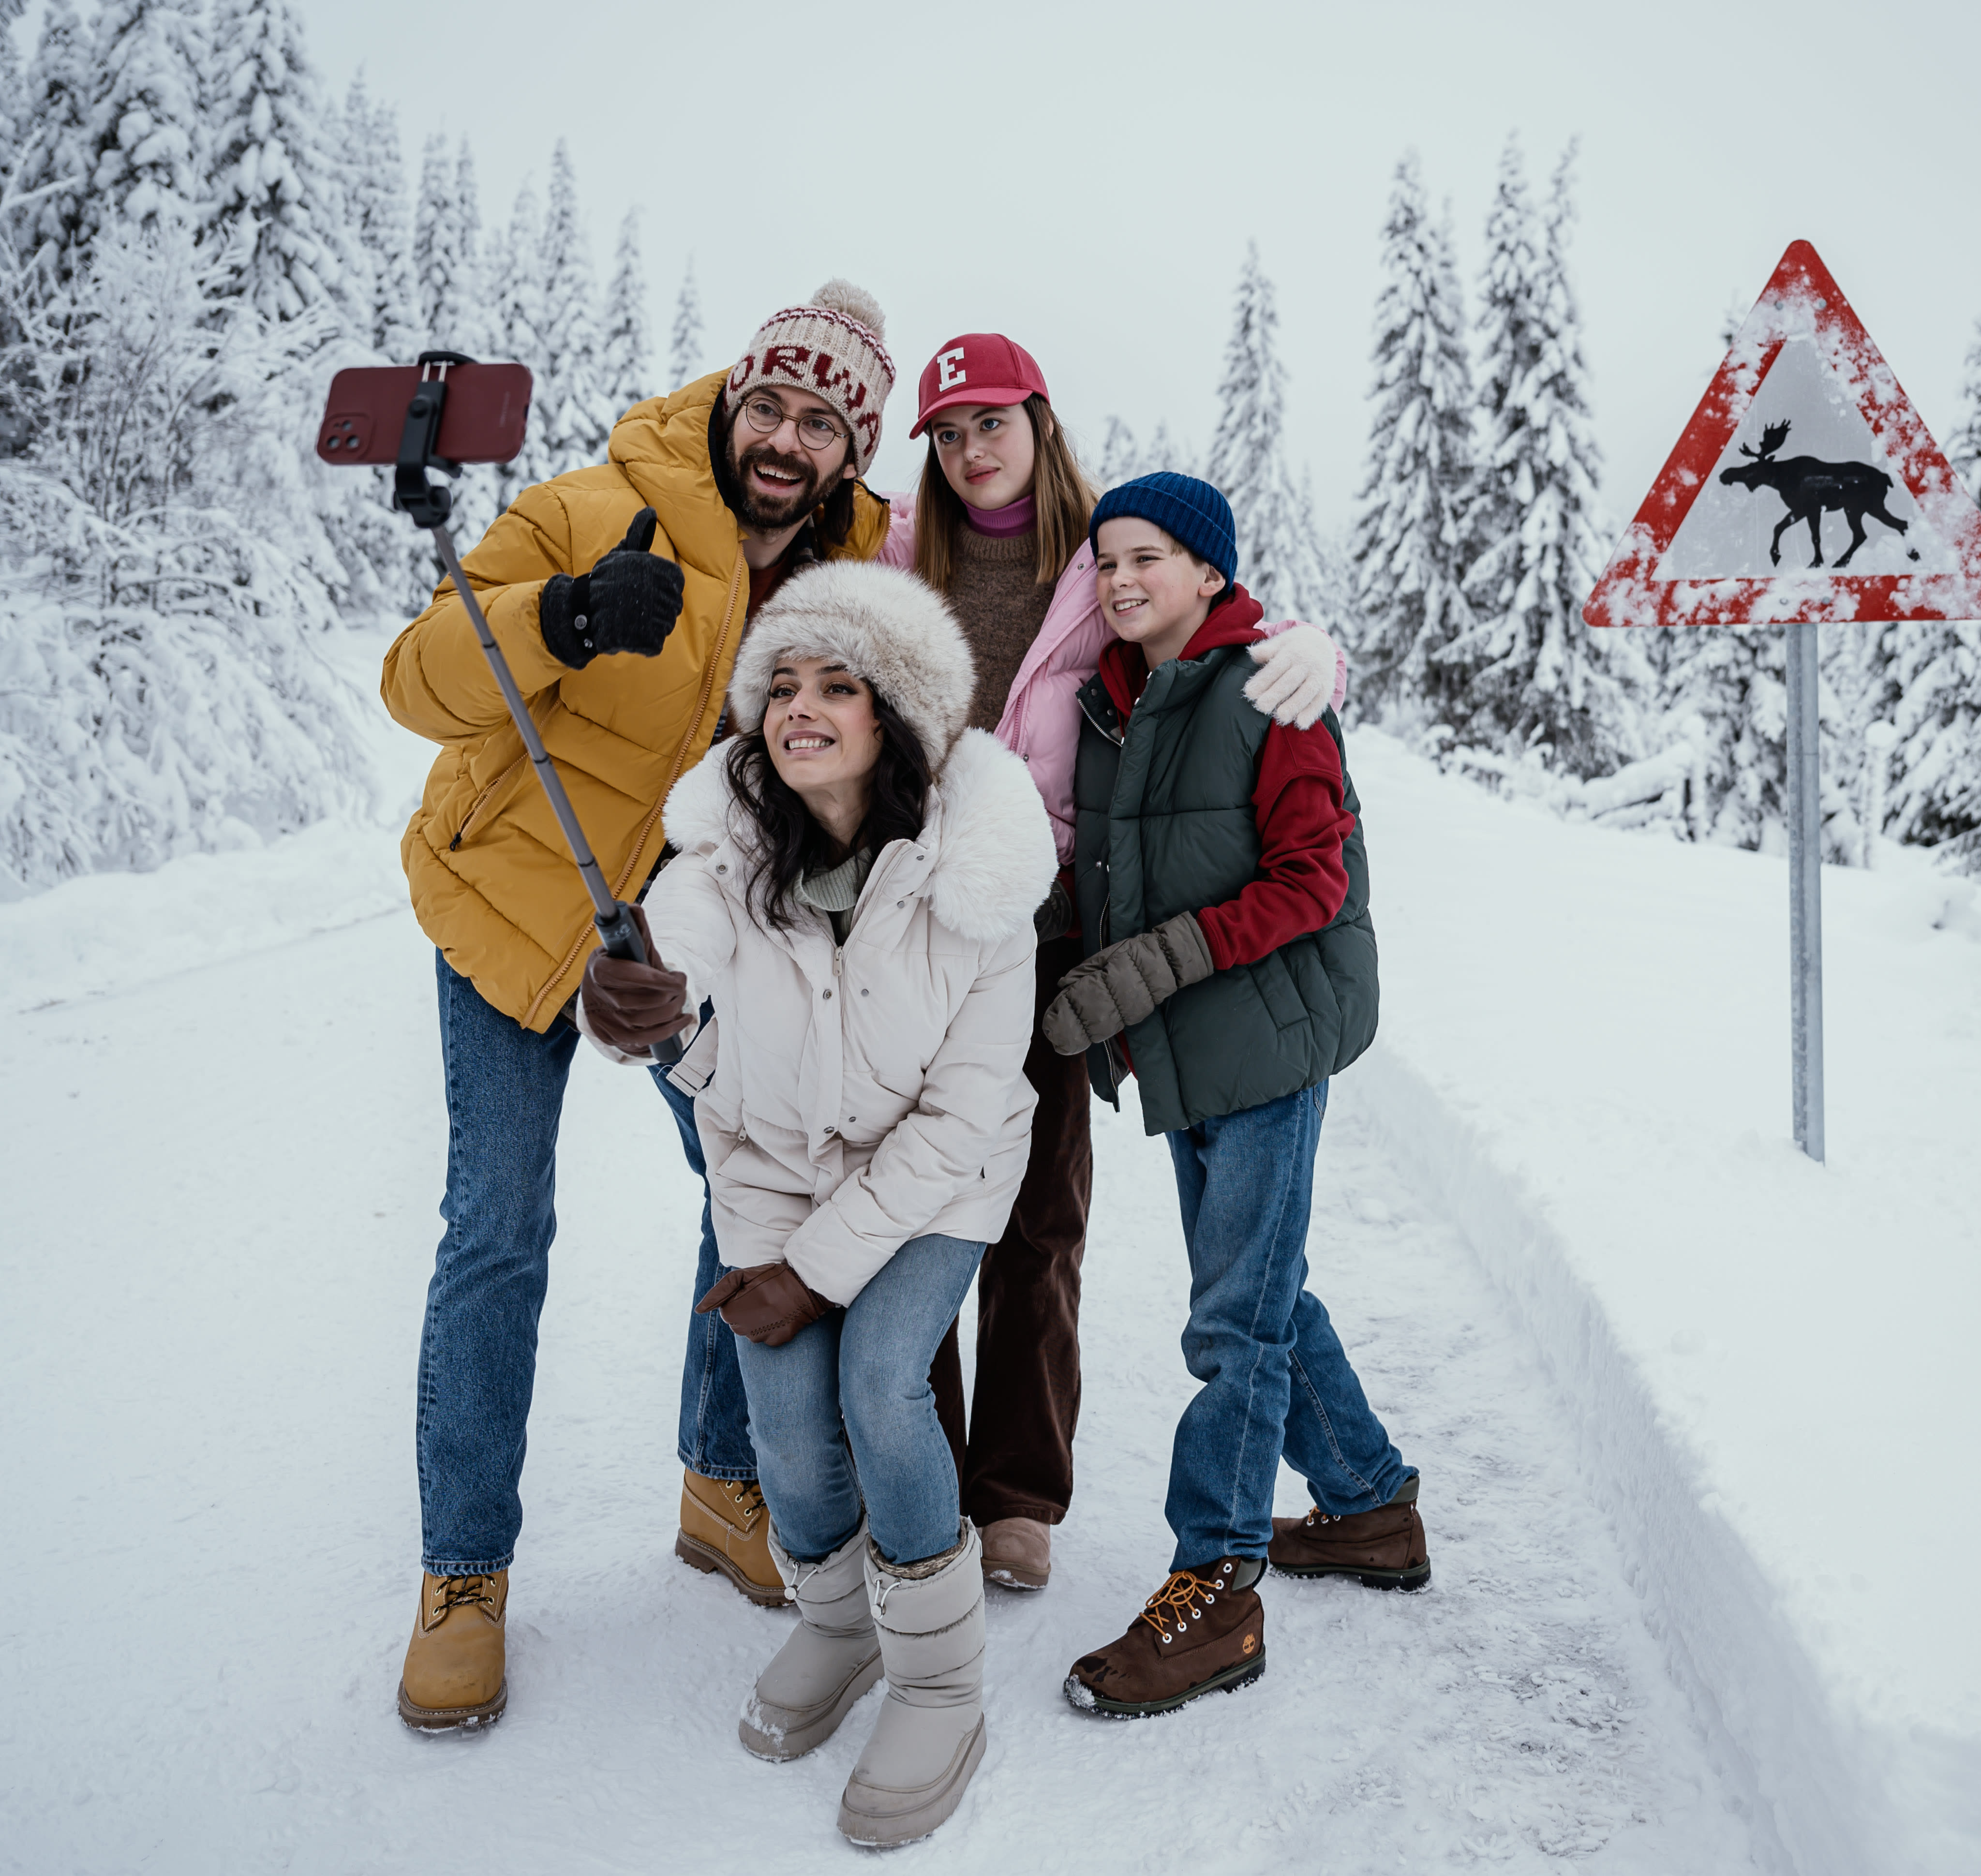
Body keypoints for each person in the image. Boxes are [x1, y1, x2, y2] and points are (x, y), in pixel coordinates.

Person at [380, 280, 900, 1732]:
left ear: (851, 452)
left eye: (824, 419)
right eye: (774, 402)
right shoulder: (590, 504)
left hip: (674, 951)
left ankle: (720, 1481)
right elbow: (418, 681)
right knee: (499, 1226)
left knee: (751, 1197)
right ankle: (465, 1573)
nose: (788, 436)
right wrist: (556, 618)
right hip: (511, 916)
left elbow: (1017, 570)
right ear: (735, 401)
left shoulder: (846, 595)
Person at [590, 560, 1050, 1847]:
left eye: (836, 686)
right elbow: (700, 1051)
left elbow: (962, 1113)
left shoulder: (979, 882)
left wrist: (818, 1272)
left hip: (938, 1180)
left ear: (894, 720)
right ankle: (842, 1625)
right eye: (780, 685)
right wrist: (639, 1022)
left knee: (880, 1385)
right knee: (783, 1416)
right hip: (780, 1174)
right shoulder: (722, 862)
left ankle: (938, 1678)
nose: (800, 707)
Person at [876, 334, 1344, 1595]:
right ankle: (915, 1474)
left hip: (1050, 926)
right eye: (948, 430)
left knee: (1039, 1210)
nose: (973, 449)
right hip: (912, 927)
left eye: (993, 421)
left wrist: (1315, 648)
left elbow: (1211, 619)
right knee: (909, 1202)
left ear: (1039, 420)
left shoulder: (1101, 562)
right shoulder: (889, 561)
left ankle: (1018, 1491)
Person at [1037, 474, 1426, 1721]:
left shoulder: (1273, 687)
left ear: (1208, 570)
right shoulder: (1115, 698)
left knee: (1233, 1323)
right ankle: (1369, 1507)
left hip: (1265, 1039)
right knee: (1260, 1289)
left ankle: (1217, 1589)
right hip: (1190, 1048)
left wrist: (1161, 963)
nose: (1122, 580)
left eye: (1148, 557)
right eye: (1105, 563)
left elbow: (1316, 879)